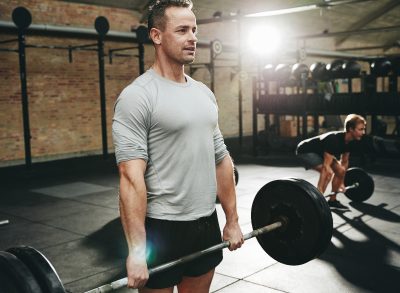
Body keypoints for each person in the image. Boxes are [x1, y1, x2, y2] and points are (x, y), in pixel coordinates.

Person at [112, 1, 244, 292]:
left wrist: (232, 220)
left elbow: (221, 159)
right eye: (182, 30)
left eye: (194, 30)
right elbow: (130, 178)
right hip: (162, 227)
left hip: (204, 224)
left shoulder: (203, 93)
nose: (193, 37)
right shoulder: (137, 96)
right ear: (157, 36)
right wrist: (136, 250)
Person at [296, 114, 366, 209]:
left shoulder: (351, 142)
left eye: (363, 129)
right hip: (305, 150)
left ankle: (332, 201)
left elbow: (344, 162)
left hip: (321, 152)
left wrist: (341, 182)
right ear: (351, 129)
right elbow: (326, 168)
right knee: (328, 173)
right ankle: (318, 203)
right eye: (360, 129)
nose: (363, 132)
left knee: (340, 170)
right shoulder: (334, 140)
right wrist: (319, 193)